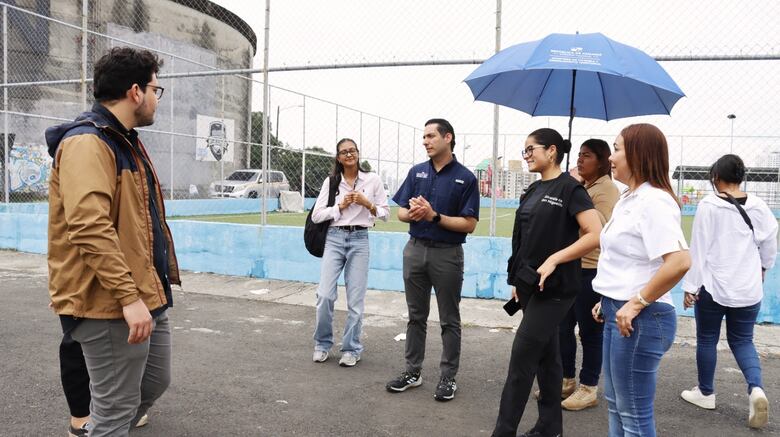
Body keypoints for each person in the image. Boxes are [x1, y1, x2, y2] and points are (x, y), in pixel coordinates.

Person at [45, 47, 177, 437]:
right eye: (157, 88)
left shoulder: (124, 140)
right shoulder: (89, 143)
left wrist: (148, 293)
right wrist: (129, 297)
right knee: (114, 413)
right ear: (135, 91)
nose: (157, 98)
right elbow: (89, 226)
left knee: (153, 383)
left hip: (144, 293)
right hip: (109, 303)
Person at [492, 128, 602, 437]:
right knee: (548, 358)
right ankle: (550, 426)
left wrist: (555, 259)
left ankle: (503, 431)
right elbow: (524, 240)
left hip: (556, 290)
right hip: (529, 287)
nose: (526, 155)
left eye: (530, 149)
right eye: (524, 150)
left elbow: (595, 234)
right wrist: (517, 279)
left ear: (551, 151)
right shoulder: (533, 190)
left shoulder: (571, 189)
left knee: (522, 359)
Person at [591, 123, 691, 437]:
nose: (611, 156)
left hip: (641, 319)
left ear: (638, 154)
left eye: (617, 148)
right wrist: (608, 298)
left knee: (633, 412)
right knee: (617, 404)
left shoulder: (654, 201)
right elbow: (630, 258)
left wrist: (636, 302)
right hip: (617, 311)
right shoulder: (630, 199)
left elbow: (679, 261)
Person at [680, 154, 777, 429]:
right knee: (744, 340)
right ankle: (756, 389)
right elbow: (770, 242)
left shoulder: (709, 205)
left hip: (713, 286)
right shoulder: (759, 206)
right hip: (748, 287)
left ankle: (706, 393)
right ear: (741, 177)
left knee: (707, 338)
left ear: (716, 177)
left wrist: (690, 286)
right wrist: (763, 269)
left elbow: (698, 248)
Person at [385, 118, 479, 402]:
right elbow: (400, 212)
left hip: (447, 254)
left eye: (430, 136)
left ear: (447, 137)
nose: (425, 141)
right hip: (414, 250)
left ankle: (448, 377)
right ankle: (413, 371)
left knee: (449, 319)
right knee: (416, 316)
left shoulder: (466, 177)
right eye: (423, 137)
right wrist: (412, 214)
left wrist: (434, 216)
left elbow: (469, 224)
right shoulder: (417, 173)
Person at [310, 138, 389, 366]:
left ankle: (351, 348)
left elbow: (386, 214)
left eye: (352, 150)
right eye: (343, 152)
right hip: (334, 238)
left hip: (359, 239)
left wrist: (367, 203)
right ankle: (322, 343)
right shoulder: (332, 181)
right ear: (338, 157)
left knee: (356, 300)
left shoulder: (372, 180)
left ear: (358, 153)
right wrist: (339, 207)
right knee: (324, 294)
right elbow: (317, 215)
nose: (348, 155)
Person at [558, 139, 619, 411]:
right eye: (579, 155)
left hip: (591, 270)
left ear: (603, 160)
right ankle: (566, 379)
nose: (580, 160)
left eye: (587, 156)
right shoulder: (585, 186)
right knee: (562, 327)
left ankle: (588, 387)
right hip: (573, 267)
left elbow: (599, 230)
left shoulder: (605, 189)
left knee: (590, 332)